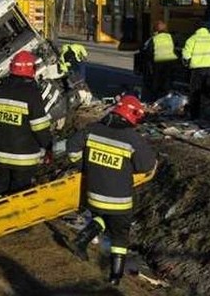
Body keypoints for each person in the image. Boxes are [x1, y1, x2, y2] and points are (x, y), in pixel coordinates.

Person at [66, 94, 157, 286]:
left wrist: (84, 165)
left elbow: (72, 147)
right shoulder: (132, 139)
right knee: (120, 234)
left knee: (104, 216)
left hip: (94, 195)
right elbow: (146, 165)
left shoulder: (92, 129)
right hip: (119, 200)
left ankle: (82, 240)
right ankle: (115, 278)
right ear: (133, 115)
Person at [0, 50, 52, 198]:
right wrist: (49, 146)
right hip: (24, 158)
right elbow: (40, 128)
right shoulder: (32, 95)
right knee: (18, 195)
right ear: (31, 70)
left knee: (0, 188)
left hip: (2, 154)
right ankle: (11, 219)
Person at [182, 24, 210, 120]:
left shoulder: (192, 39)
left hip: (197, 69)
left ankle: (195, 115)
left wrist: (187, 64)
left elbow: (186, 55)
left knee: (195, 92)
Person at [142, 20, 178, 100]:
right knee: (167, 79)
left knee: (156, 79)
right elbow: (175, 45)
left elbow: (148, 51)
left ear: (156, 30)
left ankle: (154, 97)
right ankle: (166, 95)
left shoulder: (154, 39)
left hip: (158, 61)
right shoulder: (171, 37)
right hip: (170, 61)